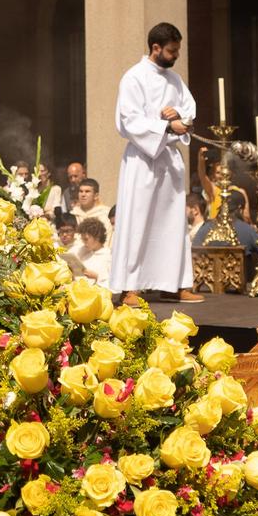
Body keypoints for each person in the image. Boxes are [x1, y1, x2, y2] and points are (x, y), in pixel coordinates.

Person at [107, 23, 200, 306]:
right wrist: (166, 125)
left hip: (169, 160)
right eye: (172, 51)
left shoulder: (174, 80)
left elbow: (189, 111)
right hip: (142, 159)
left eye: (178, 51)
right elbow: (130, 120)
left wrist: (179, 115)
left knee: (173, 223)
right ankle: (130, 288)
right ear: (156, 48)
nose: (176, 56)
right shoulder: (133, 78)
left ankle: (176, 285)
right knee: (138, 222)